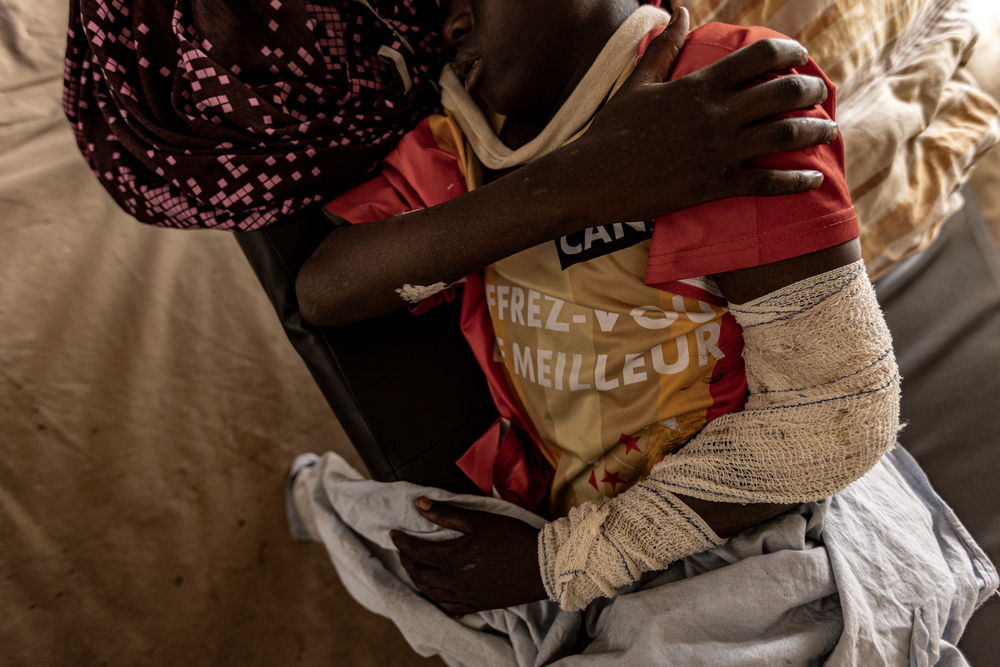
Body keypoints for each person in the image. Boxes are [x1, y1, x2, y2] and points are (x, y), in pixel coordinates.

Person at [294, 0, 901, 616]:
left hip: (745, 522)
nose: (446, 25)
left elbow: (836, 419)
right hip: (573, 529)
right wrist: (578, 185)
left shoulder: (721, 96)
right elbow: (325, 292)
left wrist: (562, 562)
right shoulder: (461, 144)